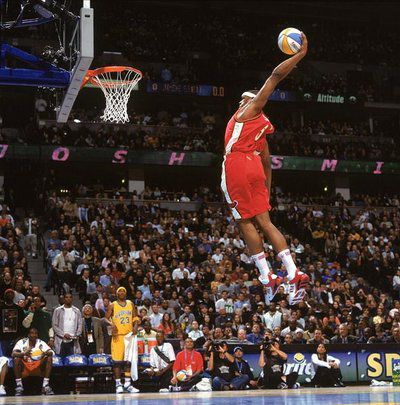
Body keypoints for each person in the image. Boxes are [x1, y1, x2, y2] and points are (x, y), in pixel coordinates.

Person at [220, 33, 309, 304]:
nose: (239, 103)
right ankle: (293, 272)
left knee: (243, 221)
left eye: (243, 100)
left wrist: (300, 55)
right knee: (266, 222)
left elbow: (274, 76)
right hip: (255, 169)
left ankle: (267, 276)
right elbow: (267, 162)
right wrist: (267, 190)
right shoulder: (261, 132)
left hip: (237, 163)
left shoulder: (247, 113)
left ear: (251, 102)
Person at [105, 286, 139, 394]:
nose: (122, 293)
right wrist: (111, 325)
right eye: (120, 291)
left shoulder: (130, 304)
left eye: (123, 291)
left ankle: (128, 384)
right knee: (117, 362)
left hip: (129, 336)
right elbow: (105, 318)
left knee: (128, 361)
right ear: (117, 294)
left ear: (126, 293)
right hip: (118, 336)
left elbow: (135, 317)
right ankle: (118, 384)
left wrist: (135, 326)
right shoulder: (113, 305)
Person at [12, 327, 54, 396]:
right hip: (25, 366)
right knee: (16, 359)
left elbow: (51, 352)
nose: (34, 335)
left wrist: (45, 353)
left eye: (36, 333)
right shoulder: (22, 342)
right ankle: (19, 386)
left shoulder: (41, 343)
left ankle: (45, 385)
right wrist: (24, 353)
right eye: (32, 333)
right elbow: (13, 354)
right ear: (28, 335)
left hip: (38, 366)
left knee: (49, 358)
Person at [0, 289, 26, 356]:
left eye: (11, 294)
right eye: (8, 294)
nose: (10, 295)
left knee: (15, 357)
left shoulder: (18, 309)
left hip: (15, 337)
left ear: (14, 296)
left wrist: (21, 335)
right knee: (3, 358)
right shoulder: (1, 307)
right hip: (2, 337)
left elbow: (22, 323)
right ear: (5, 296)